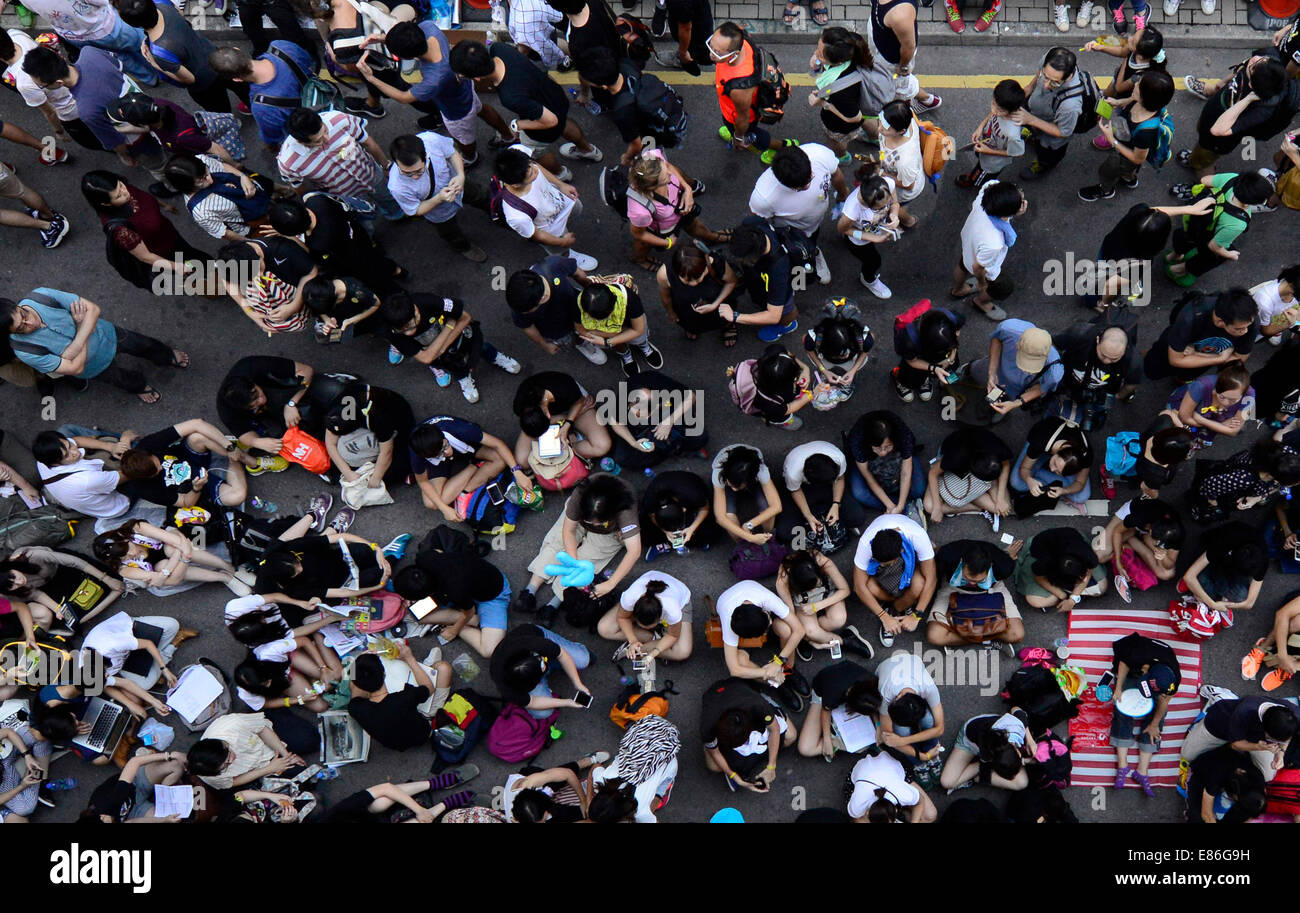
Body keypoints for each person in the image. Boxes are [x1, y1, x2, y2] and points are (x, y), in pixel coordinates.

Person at [357, 19, 514, 164]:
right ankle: (508, 136)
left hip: (455, 111)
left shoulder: (434, 79)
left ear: (409, 56)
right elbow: (413, 37)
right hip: (466, 89)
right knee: (481, 109)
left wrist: (371, 78)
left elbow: (404, 97)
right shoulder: (429, 28)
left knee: (464, 138)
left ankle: (470, 157)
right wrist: (385, 39)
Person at [1, 290, 186, 405]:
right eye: (21, 327)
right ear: (9, 333)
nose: (30, 321)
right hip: (94, 367)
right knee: (122, 379)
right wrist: (81, 326)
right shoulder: (24, 351)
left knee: (146, 345)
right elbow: (75, 368)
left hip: (109, 334)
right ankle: (139, 386)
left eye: (23, 314)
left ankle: (166, 356)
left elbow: (93, 309)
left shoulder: (39, 297)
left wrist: (73, 349)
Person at [22, 46, 166, 186]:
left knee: (157, 165)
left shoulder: (87, 110)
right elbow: (120, 67)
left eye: (42, 85)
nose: (42, 88)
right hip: (149, 105)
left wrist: (124, 156)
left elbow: (115, 140)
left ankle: (169, 182)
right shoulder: (90, 52)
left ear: (59, 83)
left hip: (142, 141)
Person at [448, 39, 601, 171]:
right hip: (554, 95)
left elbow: (551, 121)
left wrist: (518, 124)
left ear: (477, 78)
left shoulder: (510, 96)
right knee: (564, 122)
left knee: (534, 150)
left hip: (544, 119)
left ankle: (560, 173)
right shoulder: (500, 48)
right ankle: (587, 150)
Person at [518, 473, 642, 621]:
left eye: (597, 523)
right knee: (558, 544)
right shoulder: (580, 496)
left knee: (589, 559)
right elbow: (568, 530)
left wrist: (611, 583)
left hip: (611, 533)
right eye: (588, 521)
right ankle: (530, 591)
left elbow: (634, 551)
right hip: (582, 520)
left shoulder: (626, 513)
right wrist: (573, 561)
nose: (592, 525)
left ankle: (552, 602)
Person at [1174, 56, 1296, 190]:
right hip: (1208, 119)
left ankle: (1202, 189)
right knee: (1200, 152)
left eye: (1255, 65)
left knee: (1203, 164)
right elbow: (1239, 71)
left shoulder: (1261, 110)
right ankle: (1194, 158)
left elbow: (1217, 130)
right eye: (1263, 59)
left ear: (1252, 85)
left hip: (1215, 141)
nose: (1256, 58)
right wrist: (1224, 81)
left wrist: (1248, 99)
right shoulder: (1261, 73)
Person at [380, 291, 520, 404]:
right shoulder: (390, 330)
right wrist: (449, 327)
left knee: (483, 348)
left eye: (410, 326)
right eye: (401, 331)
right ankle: (464, 379)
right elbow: (426, 358)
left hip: (465, 338)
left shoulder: (428, 301)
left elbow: (466, 318)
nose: (408, 332)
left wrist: (438, 349)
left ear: (415, 311)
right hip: (444, 357)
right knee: (456, 368)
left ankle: (496, 357)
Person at [80, 170, 210, 293]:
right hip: (163, 252)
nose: (125, 192)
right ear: (106, 204)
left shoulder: (125, 190)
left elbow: (144, 198)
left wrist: (164, 205)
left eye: (121, 186)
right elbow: (145, 256)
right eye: (118, 195)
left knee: (195, 257)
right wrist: (176, 266)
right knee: (193, 270)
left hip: (168, 234)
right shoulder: (121, 231)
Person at [118, 0, 243, 114]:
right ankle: (250, 106)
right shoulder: (163, 4)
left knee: (221, 110)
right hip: (215, 55)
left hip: (205, 83)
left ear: (133, 24)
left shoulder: (160, 51)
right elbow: (181, 15)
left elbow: (189, 79)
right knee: (240, 86)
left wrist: (154, 63)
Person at [750, 143, 848, 286]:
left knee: (812, 240)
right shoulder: (764, 197)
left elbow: (836, 174)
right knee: (796, 261)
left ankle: (813, 252)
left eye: (810, 177)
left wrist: (843, 194)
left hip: (813, 225)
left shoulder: (820, 154)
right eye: (801, 187)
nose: (808, 185)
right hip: (789, 235)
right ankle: (796, 286)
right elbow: (758, 224)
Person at [277, 107, 399, 220]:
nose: (327, 138)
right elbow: (299, 187)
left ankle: (396, 216)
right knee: (360, 220)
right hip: (344, 196)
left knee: (388, 199)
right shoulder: (289, 162)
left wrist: (386, 166)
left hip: (371, 174)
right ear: (300, 141)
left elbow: (367, 142)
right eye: (318, 140)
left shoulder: (339, 119)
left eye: (325, 130)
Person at [393, 543, 511, 659]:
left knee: (488, 650)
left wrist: (455, 630)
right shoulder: (424, 558)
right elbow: (439, 552)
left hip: (493, 594)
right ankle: (474, 620)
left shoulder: (455, 590)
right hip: (460, 587)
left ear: (428, 593)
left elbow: (469, 611)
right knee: (417, 614)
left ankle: (469, 621)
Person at [409, 414, 531, 524]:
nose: (447, 453)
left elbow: (497, 444)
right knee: (431, 503)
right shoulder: (417, 453)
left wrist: (518, 472)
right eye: (440, 453)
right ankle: (474, 466)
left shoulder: (460, 430)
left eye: (445, 447)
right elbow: (422, 481)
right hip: (437, 463)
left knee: (500, 459)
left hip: (464, 445)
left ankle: (465, 492)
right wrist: (444, 508)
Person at [267, 194, 404, 292]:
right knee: (375, 256)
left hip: (352, 260)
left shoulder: (317, 243)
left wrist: (290, 237)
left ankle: (398, 292)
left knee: (375, 278)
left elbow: (315, 256)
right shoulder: (316, 200)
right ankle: (399, 271)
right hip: (358, 236)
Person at [490, 146, 597, 271]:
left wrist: (560, 184)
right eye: (530, 174)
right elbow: (538, 235)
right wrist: (562, 242)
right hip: (550, 231)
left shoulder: (518, 155)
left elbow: (535, 165)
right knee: (559, 251)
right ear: (516, 185)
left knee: (576, 209)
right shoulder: (516, 215)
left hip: (559, 203)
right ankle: (569, 257)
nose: (535, 170)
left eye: (530, 165)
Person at [215, 355, 341, 460]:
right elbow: (243, 433)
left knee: (336, 390)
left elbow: (305, 371)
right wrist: (258, 443)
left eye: (258, 394)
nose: (261, 400)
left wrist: (292, 403)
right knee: (291, 441)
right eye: (254, 404)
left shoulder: (253, 366)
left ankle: (331, 381)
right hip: (270, 415)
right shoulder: (226, 409)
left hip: (287, 389)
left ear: (252, 383)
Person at [386, 131, 486, 263]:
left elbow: (451, 154)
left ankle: (496, 210)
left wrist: (461, 175)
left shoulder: (431, 140)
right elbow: (416, 210)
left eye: (419, 171)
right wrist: (439, 198)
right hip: (438, 212)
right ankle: (463, 247)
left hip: (458, 184)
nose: (414, 176)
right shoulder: (396, 186)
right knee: (450, 232)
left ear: (426, 156)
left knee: (481, 196)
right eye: (406, 173)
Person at [1078, 70, 1176, 202]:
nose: (1134, 85)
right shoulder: (1149, 104)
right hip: (1128, 144)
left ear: (1145, 97)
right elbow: (1133, 100)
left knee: (1107, 171)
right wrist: (1120, 102)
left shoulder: (1145, 132)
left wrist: (1113, 141)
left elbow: (1137, 158)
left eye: (1138, 85)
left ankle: (1105, 190)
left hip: (1125, 155)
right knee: (1128, 169)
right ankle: (1128, 178)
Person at [253, 528, 393, 620]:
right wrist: (376, 587)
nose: (300, 569)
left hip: (341, 559)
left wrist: (375, 548)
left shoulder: (293, 547)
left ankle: (385, 558)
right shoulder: (294, 589)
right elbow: (341, 592)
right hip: (343, 581)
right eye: (295, 573)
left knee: (363, 549)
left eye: (297, 563)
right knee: (376, 575)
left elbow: (341, 536)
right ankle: (389, 563)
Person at [707, 23, 797, 163]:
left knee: (755, 138)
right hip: (730, 109)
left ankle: (784, 147)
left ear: (734, 54)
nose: (711, 54)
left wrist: (738, 136)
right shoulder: (742, 39)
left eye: (717, 53)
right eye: (711, 46)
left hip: (739, 119)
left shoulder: (739, 88)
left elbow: (743, 118)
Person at [1165, 172, 1274, 286]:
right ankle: (1177, 270)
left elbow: (1204, 180)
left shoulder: (1231, 179)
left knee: (1186, 236)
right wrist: (1229, 254)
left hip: (1194, 220)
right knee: (1213, 257)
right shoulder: (1238, 223)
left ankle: (1174, 256)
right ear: (1248, 203)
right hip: (1207, 234)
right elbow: (1214, 246)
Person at [623, 149, 723, 272]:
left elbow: (669, 166)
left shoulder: (652, 158)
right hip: (662, 229)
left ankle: (711, 237)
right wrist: (667, 243)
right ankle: (639, 259)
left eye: (666, 169)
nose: (671, 174)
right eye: (666, 177)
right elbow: (639, 234)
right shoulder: (639, 211)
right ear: (651, 187)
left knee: (696, 225)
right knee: (643, 245)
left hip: (680, 210)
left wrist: (687, 189)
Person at [1107, 632, 1181, 797]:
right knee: (1122, 705)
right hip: (1134, 667)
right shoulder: (1139, 655)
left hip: (1154, 672)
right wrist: (1118, 688)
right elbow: (1124, 663)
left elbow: (1164, 703)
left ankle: (1142, 771)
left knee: (1158, 719)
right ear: (1146, 670)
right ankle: (1122, 764)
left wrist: (1154, 724)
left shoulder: (1172, 683)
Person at [93, 518, 247, 596]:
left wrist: (179, 554)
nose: (132, 554)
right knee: (168, 571)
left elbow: (175, 541)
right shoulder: (123, 569)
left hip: (168, 542)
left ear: (124, 537)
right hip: (164, 563)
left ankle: (228, 567)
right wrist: (183, 558)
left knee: (172, 549)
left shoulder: (137, 528)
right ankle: (224, 578)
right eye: (124, 556)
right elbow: (166, 580)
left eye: (128, 549)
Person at [18, 0, 157, 86]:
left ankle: (149, 78)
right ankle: (161, 69)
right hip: (105, 25)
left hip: (74, 35)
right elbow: (101, 2)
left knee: (120, 56)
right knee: (141, 42)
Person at [208, 42, 317, 151]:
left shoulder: (262, 107)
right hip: (320, 95)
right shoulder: (280, 46)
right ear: (238, 49)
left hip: (307, 125)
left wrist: (271, 146)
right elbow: (308, 60)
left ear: (237, 79)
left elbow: (272, 135)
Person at [0, 27, 96, 149]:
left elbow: (50, 112)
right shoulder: (17, 34)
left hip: (71, 112)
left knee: (91, 140)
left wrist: (59, 131)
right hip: (82, 87)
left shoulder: (24, 83)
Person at [852, 513, 937, 647]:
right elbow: (858, 586)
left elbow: (931, 579)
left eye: (887, 563)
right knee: (868, 587)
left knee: (920, 584)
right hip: (881, 573)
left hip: (910, 562)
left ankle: (894, 609)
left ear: (902, 550)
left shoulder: (918, 536)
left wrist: (917, 616)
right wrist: (883, 617)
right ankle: (896, 609)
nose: (884, 564)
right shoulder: (866, 543)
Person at [79, 609, 195, 706]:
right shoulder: (90, 675)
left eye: (106, 674)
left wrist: (164, 669)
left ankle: (154, 665)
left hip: (131, 631)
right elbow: (123, 684)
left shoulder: (111, 644)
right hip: (125, 659)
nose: (108, 675)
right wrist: (153, 702)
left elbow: (147, 643)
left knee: (173, 625)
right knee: (145, 685)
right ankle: (171, 646)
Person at [1143, 287, 1258, 383]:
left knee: (1184, 378)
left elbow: (1237, 359)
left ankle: (1180, 379)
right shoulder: (1191, 317)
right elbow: (1175, 359)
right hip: (1172, 349)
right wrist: (1220, 358)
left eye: (1247, 326)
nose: (1245, 331)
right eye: (1238, 329)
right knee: (1151, 370)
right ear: (1219, 322)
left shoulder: (1248, 320)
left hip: (1199, 361)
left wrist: (1197, 355)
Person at [926, 538, 1023, 651]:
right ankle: (990, 637)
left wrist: (1006, 555)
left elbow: (1005, 562)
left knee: (1017, 634)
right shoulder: (947, 557)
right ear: (961, 562)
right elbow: (932, 571)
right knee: (935, 636)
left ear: (990, 566)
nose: (972, 584)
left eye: (979, 580)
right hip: (953, 589)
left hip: (992, 589)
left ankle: (964, 638)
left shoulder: (1004, 566)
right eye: (967, 578)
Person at [700, 676, 796, 791]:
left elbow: (774, 729)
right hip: (714, 696)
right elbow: (715, 753)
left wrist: (771, 766)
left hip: (742, 688)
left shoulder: (758, 706)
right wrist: (734, 776)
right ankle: (708, 746)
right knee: (714, 766)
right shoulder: (707, 726)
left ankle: (767, 699)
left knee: (791, 736)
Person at [348, 646, 451, 751]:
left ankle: (424, 668)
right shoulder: (404, 698)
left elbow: (353, 681)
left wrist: (359, 662)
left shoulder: (354, 708)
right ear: (384, 674)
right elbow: (429, 688)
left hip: (395, 743)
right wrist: (409, 658)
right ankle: (426, 668)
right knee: (444, 668)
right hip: (421, 732)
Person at [0, 546, 122, 635]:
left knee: (109, 582)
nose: (19, 582)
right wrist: (57, 608)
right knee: (71, 615)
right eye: (13, 586)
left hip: (63, 569)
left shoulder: (32, 556)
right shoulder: (16, 589)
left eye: (14, 577)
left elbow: (74, 562)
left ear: (10, 568)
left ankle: (113, 591)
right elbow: (35, 594)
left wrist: (105, 578)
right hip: (48, 586)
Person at [776, 549, 873, 660]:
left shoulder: (822, 561)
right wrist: (806, 632)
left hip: (826, 594)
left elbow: (845, 590)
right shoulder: (783, 579)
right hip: (803, 604)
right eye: (809, 589)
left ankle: (808, 637)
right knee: (811, 631)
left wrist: (816, 606)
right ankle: (845, 641)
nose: (812, 591)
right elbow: (790, 613)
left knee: (838, 620)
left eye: (815, 585)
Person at [951, 179, 1027, 319]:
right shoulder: (994, 243)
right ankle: (980, 302)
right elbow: (978, 267)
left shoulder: (990, 187)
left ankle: (958, 290)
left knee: (962, 265)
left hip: (969, 245)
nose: (1021, 193)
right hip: (983, 262)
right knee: (1004, 287)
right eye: (1020, 199)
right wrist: (982, 283)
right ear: (1007, 213)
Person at [808, 28, 887, 163]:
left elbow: (854, 118)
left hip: (843, 122)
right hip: (864, 104)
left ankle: (842, 156)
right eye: (818, 48)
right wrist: (818, 61)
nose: (816, 54)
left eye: (821, 55)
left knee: (837, 138)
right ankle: (874, 138)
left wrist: (822, 103)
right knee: (866, 120)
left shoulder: (839, 90)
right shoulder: (851, 48)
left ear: (838, 62)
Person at [506, 256, 605, 361]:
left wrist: (592, 292)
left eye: (528, 311)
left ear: (542, 298)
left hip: (578, 309)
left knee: (590, 326)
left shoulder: (554, 265)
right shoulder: (520, 304)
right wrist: (544, 344)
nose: (523, 313)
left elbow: (577, 273)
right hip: (557, 330)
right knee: (573, 338)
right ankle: (582, 343)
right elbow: (527, 327)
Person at [1181, 693, 1299, 782]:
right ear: (1264, 730)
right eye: (1275, 740)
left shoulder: (1293, 714)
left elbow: (1287, 738)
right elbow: (1236, 744)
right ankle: (1219, 698)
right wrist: (1257, 747)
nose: (1279, 743)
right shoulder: (1245, 711)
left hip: (1257, 741)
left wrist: (1281, 752)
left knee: (1268, 776)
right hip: (1221, 727)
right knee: (1187, 755)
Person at [186, 711, 316, 790]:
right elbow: (233, 782)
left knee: (311, 740)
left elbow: (262, 729)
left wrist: (286, 755)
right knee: (305, 780)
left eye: (228, 754)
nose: (232, 760)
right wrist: (268, 769)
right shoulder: (209, 775)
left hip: (266, 739)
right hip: (258, 768)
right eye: (226, 765)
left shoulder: (232, 724)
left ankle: (274, 711)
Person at [1047, 320, 1140, 430]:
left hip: (1102, 392)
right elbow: (1055, 343)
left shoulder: (1134, 360)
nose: (1106, 361)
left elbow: (1132, 383)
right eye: (1103, 354)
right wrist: (1056, 369)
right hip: (1070, 380)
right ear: (1097, 340)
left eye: (1114, 358)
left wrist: (1118, 396)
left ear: (1125, 350)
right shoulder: (1080, 334)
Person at [774, 441, 868, 549]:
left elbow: (840, 479)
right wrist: (808, 515)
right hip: (802, 489)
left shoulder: (838, 458)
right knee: (785, 532)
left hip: (829, 486)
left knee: (858, 517)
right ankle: (819, 517)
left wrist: (836, 504)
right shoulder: (793, 473)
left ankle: (824, 515)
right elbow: (796, 491)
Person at [716, 218, 798, 342]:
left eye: (742, 259)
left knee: (786, 310)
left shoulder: (778, 270)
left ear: (754, 257)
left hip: (788, 281)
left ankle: (786, 325)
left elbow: (774, 315)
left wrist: (735, 316)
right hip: (761, 280)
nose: (739, 261)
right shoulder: (752, 225)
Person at [606, 369, 706, 471]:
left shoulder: (657, 381)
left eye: (651, 413)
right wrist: (634, 443)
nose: (648, 418)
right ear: (630, 404)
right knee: (623, 459)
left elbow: (691, 396)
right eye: (639, 414)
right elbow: (614, 421)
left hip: (667, 414)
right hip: (639, 430)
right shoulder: (624, 396)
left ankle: (677, 449)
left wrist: (669, 421)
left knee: (700, 436)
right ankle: (667, 451)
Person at [321, 382, 415, 489]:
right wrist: (347, 472)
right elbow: (330, 442)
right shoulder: (340, 403)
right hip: (374, 417)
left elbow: (386, 452)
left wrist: (375, 478)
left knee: (391, 472)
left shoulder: (378, 418)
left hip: (399, 423)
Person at [489, 622, 591, 720]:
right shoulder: (508, 689)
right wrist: (567, 702)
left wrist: (577, 683)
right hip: (528, 673)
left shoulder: (530, 643)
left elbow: (561, 654)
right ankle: (553, 666)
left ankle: (557, 660)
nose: (544, 660)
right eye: (542, 664)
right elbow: (533, 702)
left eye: (542, 660)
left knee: (583, 659)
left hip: (534, 636)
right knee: (543, 713)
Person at [969, 319, 1064, 422]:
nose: (1026, 370)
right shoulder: (1008, 329)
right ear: (1017, 344)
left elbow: (1042, 387)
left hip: (1014, 390)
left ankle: (997, 406)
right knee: (974, 370)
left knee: (998, 398)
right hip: (995, 368)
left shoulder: (1055, 371)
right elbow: (996, 339)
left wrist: (1016, 403)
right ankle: (967, 370)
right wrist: (992, 372)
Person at [164, 153, 272, 243]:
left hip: (259, 198)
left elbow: (223, 166)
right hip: (253, 224)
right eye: (201, 181)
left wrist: (243, 177)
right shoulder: (201, 211)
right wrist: (252, 242)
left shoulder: (200, 160)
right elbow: (225, 233)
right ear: (186, 187)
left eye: (206, 172)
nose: (210, 180)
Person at [512, 371, 612, 465]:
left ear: (547, 414)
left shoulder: (565, 387)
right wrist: (561, 419)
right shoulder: (520, 404)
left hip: (573, 407)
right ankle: (565, 451)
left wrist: (568, 423)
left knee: (602, 445)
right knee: (523, 460)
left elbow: (579, 402)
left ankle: (569, 446)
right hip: (550, 418)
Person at [923, 423, 1013, 527]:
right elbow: (933, 473)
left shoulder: (996, 449)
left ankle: (972, 501)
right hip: (948, 470)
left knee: (1004, 508)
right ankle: (977, 508)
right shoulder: (956, 456)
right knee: (930, 507)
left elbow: (1006, 464)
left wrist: (1001, 497)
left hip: (971, 480)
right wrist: (938, 508)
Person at [596, 569, 693, 663]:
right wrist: (632, 640)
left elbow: (672, 635)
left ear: (661, 618)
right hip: (643, 601)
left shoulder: (672, 610)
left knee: (682, 651)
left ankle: (638, 649)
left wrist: (653, 653)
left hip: (681, 602)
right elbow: (623, 617)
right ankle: (653, 640)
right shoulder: (630, 597)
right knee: (604, 629)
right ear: (634, 612)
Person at [835, 161, 900, 299]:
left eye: (885, 204)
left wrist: (894, 214)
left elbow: (895, 203)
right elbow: (845, 230)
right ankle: (868, 279)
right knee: (874, 261)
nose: (885, 209)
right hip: (858, 239)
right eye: (879, 208)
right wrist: (873, 238)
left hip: (872, 229)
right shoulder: (853, 210)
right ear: (867, 204)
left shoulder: (886, 184)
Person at [1016, 47, 1083, 181]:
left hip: (1051, 139)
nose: (1045, 85)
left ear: (1068, 76)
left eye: (1054, 82)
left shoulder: (1070, 106)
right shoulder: (1052, 59)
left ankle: (1042, 165)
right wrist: (1030, 87)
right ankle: (1034, 138)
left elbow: (1063, 132)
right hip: (1036, 117)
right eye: (1045, 77)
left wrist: (1031, 120)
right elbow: (1039, 74)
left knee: (1046, 154)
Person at [1098, 498, 1184, 602]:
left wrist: (1163, 556)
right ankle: (1130, 537)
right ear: (1150, 528)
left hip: (1146, 533)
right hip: (1133, 515)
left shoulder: (1177, 534)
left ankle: (1130, 541)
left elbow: (1169, 565)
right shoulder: (1140, 516)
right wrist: (1118, 561)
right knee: (1100, 556)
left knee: (1166, 574)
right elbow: (1118, 532)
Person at [573, 280, 663, 378]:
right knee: (618, 345)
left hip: (629, 326)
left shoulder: (629, 298)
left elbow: (638, 329)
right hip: (607, 333)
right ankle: (625, 354)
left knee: (639, 338)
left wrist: (607, 341)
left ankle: (643, 345)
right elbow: (579, 328)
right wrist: (612, 336)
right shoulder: (580, 304)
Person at [843, 410, 926, 516]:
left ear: (894, 440)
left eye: (887, 447)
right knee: (860, 494)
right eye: (877, 448)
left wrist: (900, 505)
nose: (882, 452)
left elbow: (905, 473)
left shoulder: (904, 436)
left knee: (919, 490)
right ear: (869, 443)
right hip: (865, 460)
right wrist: (890, 505)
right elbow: (870, 479)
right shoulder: (857, 443)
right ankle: (906, 506)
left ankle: (901, 506)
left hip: (899, 455)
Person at [865, 0, 942, 113]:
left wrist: (903, 67)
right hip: (878, 31)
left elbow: (908, 47)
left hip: (890, 60)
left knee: (899, 88)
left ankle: (926, 100)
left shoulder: (900, 14)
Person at [1193, 439, 1300, 520]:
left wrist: (1257, 498)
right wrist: (1213, 501)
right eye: (1293, 484)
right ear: (1275, 479)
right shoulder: (1244, 479)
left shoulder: (1288, 454)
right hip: (1231, 486)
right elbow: (1209, 485)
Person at [1009, 416, 1093, 515]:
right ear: (1059, 451)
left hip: (1056, 451)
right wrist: (1029, 479)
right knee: (1016, 482)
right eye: (1054, 463)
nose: (1052, 468)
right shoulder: (1040, 441)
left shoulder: (1086, 455)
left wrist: (1064, 491)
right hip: (1042, 447)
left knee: (1082, 497)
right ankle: (1046, 483)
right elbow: (1025, 468)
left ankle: (1043, 482)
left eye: (1058, 472)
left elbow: (1080, 482)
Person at [1011, 526, 1107, 612]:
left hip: (1069, 537)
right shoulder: (1044, 564)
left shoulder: (1086, 554)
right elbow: (1038, 577)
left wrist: (1073, 599)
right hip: (1040, 548)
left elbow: (1089, 572)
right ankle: (1066, 594)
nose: (1085, 579)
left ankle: (1062, 596)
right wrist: (1062, 595)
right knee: (1035, 601)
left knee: (1102, 587)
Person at [797, 661, 879, 758]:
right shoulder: (833, 693)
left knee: (873, 737)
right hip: (822, 696)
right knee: (805, 748)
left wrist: (878, 725)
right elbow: (825, 710)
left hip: (842, 691)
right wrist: (827, 740)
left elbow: (871, 703)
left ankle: (844, 742)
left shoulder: (870, 681)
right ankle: (838, 742)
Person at [79, 750, 188, 823]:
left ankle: (162, 796)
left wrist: (169, 755)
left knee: (176, 765)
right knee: (173, 819)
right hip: (133, 812)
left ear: (101, 816)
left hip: (136, 784)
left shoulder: (110, 801)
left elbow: (134, 762)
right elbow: (132, 822)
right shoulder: (104, 819)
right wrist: (165, 819)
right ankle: (162, 800)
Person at [876, 648, 945, 762]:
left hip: (911, 664)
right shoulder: (886, 693)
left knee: (927, 721)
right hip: (887, 667)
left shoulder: (928, 687)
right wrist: (922, 756)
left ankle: (930, 750)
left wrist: (903, 741)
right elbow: (887, 735)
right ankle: (920, 761)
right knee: (902, 731)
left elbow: (940, 729)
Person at [955, 79, 1026, 190]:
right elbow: (993, 114)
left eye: (1000, 110)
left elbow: (1016, 153)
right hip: (986, 146)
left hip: (992, 163)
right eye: (993, 103)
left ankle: (973, 182)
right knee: (979, 164)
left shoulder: (1012, 133)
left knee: (980, 177)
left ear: (1012, 110)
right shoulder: (1001, 108)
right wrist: (981, 126)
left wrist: (987, 151)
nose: (994, 110)